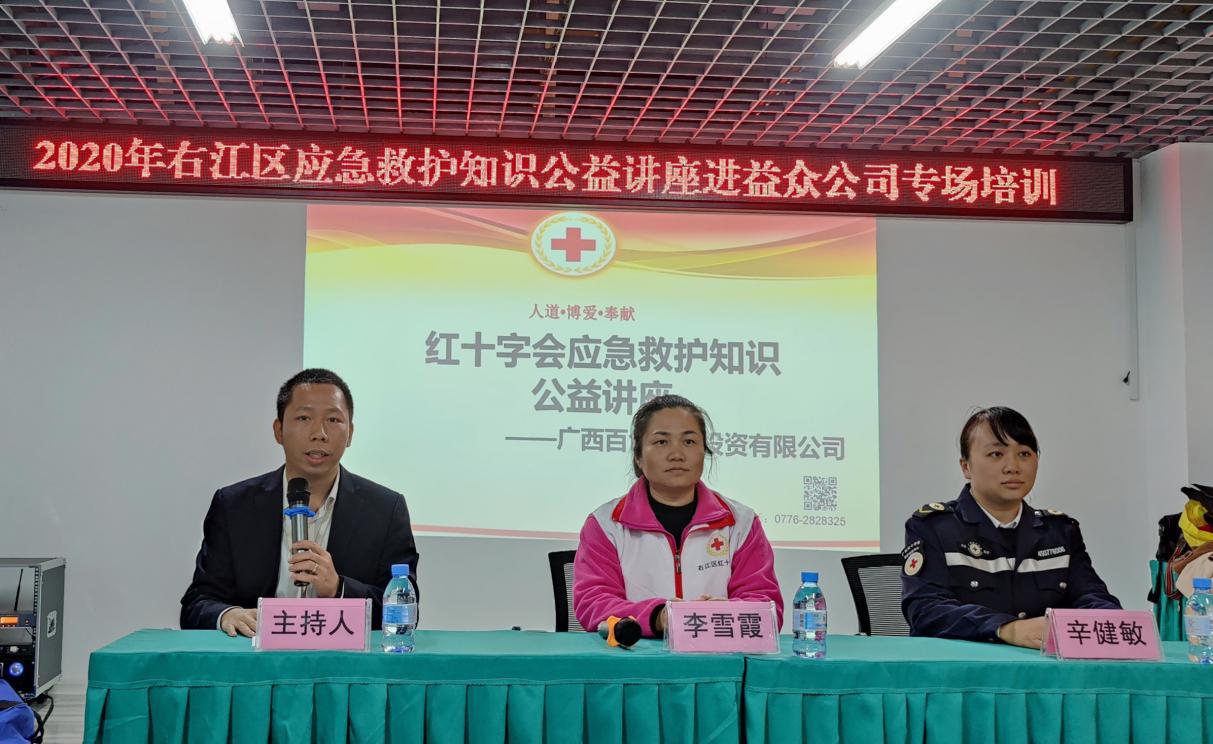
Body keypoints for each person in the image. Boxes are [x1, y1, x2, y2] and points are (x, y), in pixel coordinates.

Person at [180, 369, 419, 637]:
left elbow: (404, 611)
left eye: (333, 419)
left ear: (350, 433)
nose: (319, 433)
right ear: (279, 430)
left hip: (342, 659)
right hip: (256, 657)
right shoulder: (234, 506)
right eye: (304, 418)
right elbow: (196, 604)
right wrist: (228, 614)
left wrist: (339, 589)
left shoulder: (386, 510)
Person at [901, 406, 1119, 647]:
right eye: (996, 454)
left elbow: (1092, 598)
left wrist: (1113, 623)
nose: (1013, 466)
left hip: (1044, 668)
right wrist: (1007, 629)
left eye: (1024, 454)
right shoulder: (934, 527)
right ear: (966, 467)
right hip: (965, 668)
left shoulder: (1060, 532)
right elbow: (925, 610)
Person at [573, 395, 783, 637]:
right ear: (638, 456)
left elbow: (767, 607)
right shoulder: (606, 525)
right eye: (661, 442)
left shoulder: (741, 523)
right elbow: (593, 603)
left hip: (719, 656)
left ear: (704, 452)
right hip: (636, 656)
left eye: (689, 441)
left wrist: (722, 614)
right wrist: (658, 617)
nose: (677, 454)